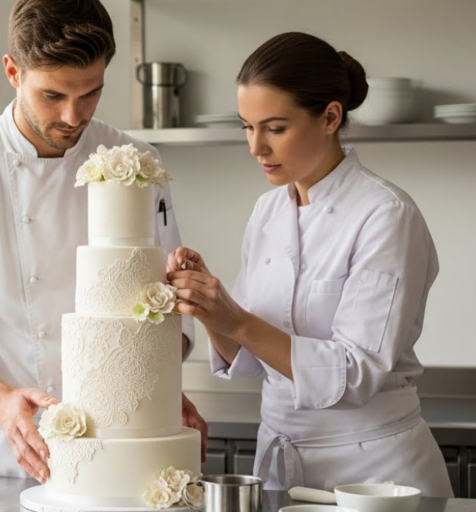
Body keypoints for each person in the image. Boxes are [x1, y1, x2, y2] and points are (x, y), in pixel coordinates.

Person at [0, 0, 207, 483]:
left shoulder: (136, 162)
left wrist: (154, 395)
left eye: (90, 94)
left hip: (112, 445)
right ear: (12, 71)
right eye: (52, 94)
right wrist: (0, 399)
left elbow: (159, 304)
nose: (72, 115)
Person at [166, 32, 453, 497]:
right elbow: (252, 360)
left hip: (373, 471)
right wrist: (207, 305)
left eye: (275, 128)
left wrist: (234, 318)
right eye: (247, 126)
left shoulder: (385, 215)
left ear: (330, 117)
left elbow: (356, 371)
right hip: (279, 463)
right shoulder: (267, 211)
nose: (256, 147)